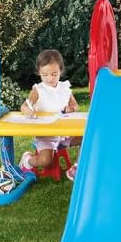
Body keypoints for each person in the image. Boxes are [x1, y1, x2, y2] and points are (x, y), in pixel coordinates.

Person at [19, 49, 82, 180]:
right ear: (39, 72)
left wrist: (71, 108)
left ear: (60, 71)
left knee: (87, 139)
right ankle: (27, 160)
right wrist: (28, 110)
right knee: (45, 161)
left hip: (65, 133)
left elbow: (76, 106)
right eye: (45, 74)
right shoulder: (38, 90)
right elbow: (24, 106)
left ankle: (77, 167)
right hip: (46, 135)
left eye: (54, 74)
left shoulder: (65, 87)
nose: (50, 78)